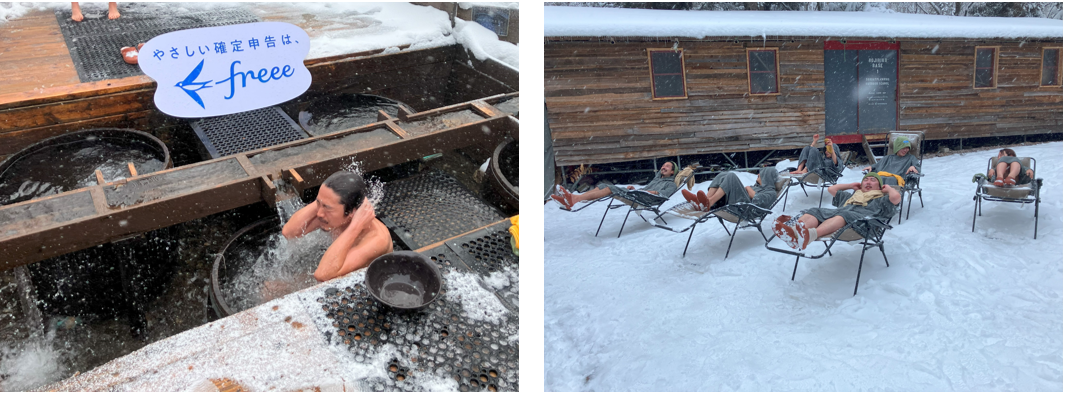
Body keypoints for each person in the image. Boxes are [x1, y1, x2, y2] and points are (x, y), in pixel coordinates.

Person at [282, 171, 393, 281]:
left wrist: (355, 226)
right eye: (318, 203)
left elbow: (322, 275)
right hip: (334, 266)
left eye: (327, 207)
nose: (319, 213)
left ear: (352, 213)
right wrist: (324, 200)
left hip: (370, 284)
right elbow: (289, 233)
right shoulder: (334, 216)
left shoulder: (377, 239)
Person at [772, 173, 900, 250]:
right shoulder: (852, 197)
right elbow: (832, 189)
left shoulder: (881, 199)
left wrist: (888, 189)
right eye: (865, 180)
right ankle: (793, 233)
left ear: (879, 186)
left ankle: (811, 235)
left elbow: (896, 198)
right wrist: (851, 186)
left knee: (843, 214)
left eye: (873, 180)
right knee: (814, 210)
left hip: (863, 223)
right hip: (842, 215)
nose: (868, 182)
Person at [552, 162, 678, 210]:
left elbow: (663, 195)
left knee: (610, 188)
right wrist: (636, 189)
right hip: (639, 195)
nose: (663, 167)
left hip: (646, 200)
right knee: (602, 185)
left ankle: (574, 199)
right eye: (663, 165)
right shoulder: (657, 179)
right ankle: (574, 199)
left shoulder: (670, 184)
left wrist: (651, 193)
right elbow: (647, 189)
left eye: (667, 166)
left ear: (672, 172)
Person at [680, 167, 780, 212]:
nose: (758, 174)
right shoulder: (757, 187)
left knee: (731, 176)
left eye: (761, 174)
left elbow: (758, 201)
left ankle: (709, 202)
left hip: (745, 209)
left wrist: (748, 189)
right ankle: (705, 201)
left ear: (767, 177)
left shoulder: (771, 192)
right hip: (736, 203)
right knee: (723, 174)